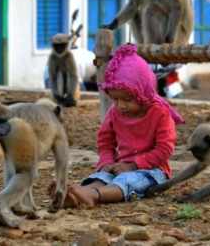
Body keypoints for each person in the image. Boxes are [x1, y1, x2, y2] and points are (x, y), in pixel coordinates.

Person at [52, 44, 184, 207]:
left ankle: (93, 195)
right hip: (119, 166)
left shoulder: (160, 113)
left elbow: (164, 149)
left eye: (127, 100)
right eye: (115, 99)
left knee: (128, 181)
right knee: (101, 177)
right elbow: (105, 140)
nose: (120, 105)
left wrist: (134, 165)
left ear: (144, 93)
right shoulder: (115, 112)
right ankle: (77, 194)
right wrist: (107, 162)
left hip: (152, 171)